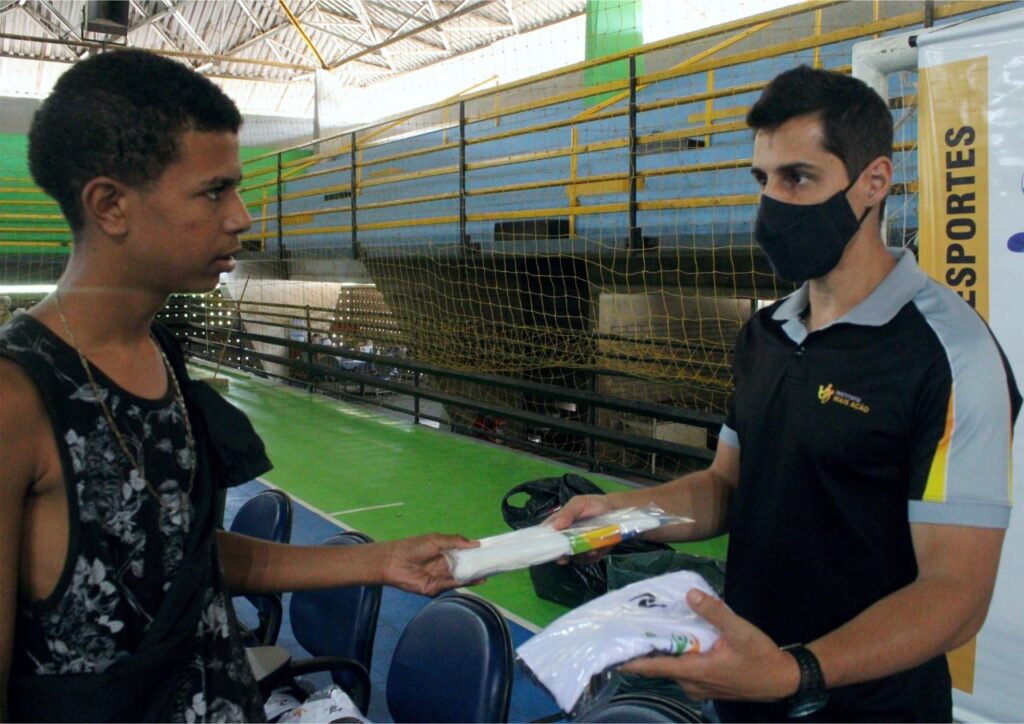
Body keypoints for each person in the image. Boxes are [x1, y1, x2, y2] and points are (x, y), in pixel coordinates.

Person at [0, 49, 476, 723]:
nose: (242, 217)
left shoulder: (159, 354)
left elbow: (181, 556)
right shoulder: (15, 398)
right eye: (213, 191)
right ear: (110, 204)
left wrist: (385, 560)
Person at [549, 65, 1020, 721]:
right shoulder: (766, 333)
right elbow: (726, 489)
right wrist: (622, 514)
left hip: (870, 709)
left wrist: (795, 672)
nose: (772, 202)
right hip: (741, 690)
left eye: (798, 178)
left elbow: (955, 593)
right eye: (762, 179)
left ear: (874, 182)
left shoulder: (951, 356)